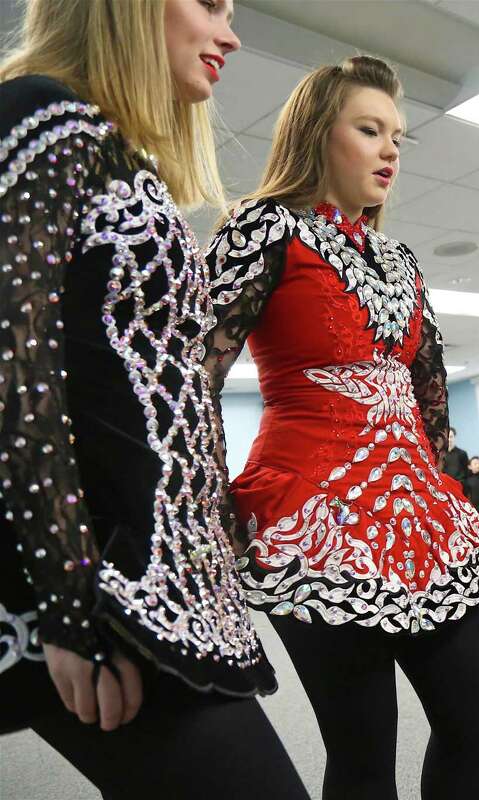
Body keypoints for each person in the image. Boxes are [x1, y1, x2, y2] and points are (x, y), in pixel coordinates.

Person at [0, 1, 308, 796]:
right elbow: (15, 360)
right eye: (208, 3)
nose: (232, 34)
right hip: (98, 584)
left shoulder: (112, 150)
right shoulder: (40, 114)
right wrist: (67, 601)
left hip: (154, 573)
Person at [204, 56, 479, 800]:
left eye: (397, 134)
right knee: (366, 750)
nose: (391, 149)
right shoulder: (262, 228)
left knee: (474, 710)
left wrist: (436, 481)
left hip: (417, 516)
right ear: (316, 135)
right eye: (370, 130)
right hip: (313, 518)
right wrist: (207, 507)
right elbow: (185, 374)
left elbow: (427, 385)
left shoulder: (397, 257)